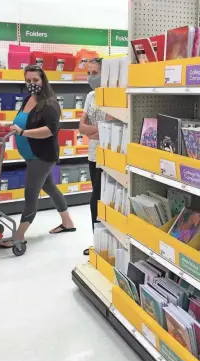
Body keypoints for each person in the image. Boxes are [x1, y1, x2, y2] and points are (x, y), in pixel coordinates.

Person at [0, 65, 76, 248]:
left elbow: (50, 130)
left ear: (43, 81)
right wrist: (5, 126)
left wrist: (23, 133)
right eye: (28, 81)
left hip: (41, 157)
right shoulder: (28, 99)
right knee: (50, 187)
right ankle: (68, 223)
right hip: (31, 155)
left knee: (30, 195)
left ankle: (19, 236)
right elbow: (21, 123)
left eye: (35, 80)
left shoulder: (49, 104)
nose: (32, 84)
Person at [79, 58, 106, 256]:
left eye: (94, 73)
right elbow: (82, 127)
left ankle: (104, 244)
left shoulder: (114, 95)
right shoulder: (90, 96)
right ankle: (97, 242)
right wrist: (98, 130)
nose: (90, 77)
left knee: (100, 198)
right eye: (89, 73)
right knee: (95, 197)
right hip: (93, 154)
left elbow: (111, 129)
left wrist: (96, 130)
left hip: (109, 154)